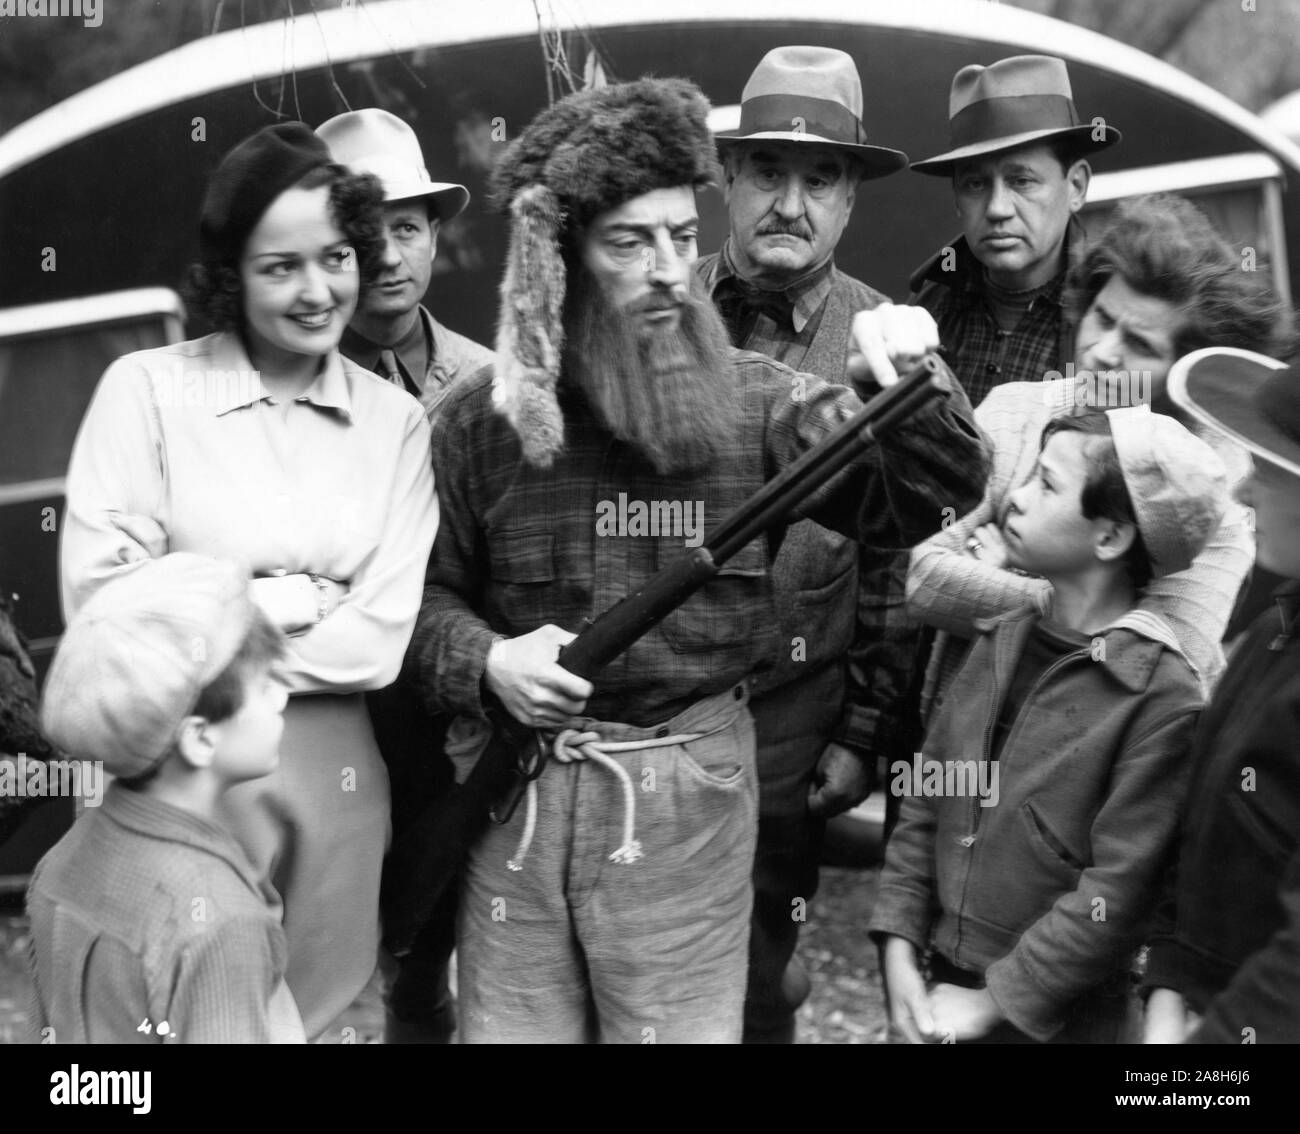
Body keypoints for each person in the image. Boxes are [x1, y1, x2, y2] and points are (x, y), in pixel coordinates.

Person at [404, 76, 988, 1043]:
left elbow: (929, 502)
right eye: (632, 243)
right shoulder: (475, 425)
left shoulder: (768, 404)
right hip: (517, 801)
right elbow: (423, 604)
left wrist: (914, 385)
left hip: (693, 807)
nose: (672, 269)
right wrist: (487, 662)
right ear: (561, 267)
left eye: (682, 235)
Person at [59, 122, 437, 1043]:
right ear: (232, 273)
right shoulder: (143, 391)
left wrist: (182, 605)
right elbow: (100, 610)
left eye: (337, 256)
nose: (318, 292)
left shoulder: (394, 424)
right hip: (170, 774)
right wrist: (277, 599)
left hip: (335, 789)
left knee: (325, 1019)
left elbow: (379, 641)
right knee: (147, 1029)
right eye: (281, 267)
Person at [871, 408, 1229, 1043]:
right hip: (944, 978)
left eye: (1047, 484)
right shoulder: (1001, 640)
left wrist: (992, 1006)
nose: (1015, 496)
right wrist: (899, 941)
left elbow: (1117, 894)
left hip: (1064, 1018)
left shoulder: (1158, 698)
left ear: (1112, 537)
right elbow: (928, 799)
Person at [694, 45, 916, 1042]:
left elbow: (899, 561)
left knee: (757, 991)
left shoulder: (891, 347)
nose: (790, 202)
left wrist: (864, 728)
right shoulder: (652, 310)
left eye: (818, 179)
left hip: (788, 743)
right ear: (728, 180)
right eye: (767, 173)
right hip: (646, 730)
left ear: (849, 200)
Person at [907, 194, 1294, 717]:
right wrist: (1079, 597)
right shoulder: (1018, 409)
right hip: (961, 744)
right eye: (1102, 317)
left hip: (1100, 768)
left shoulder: (1218, 477)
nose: (1104, 351)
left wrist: (1022, 576)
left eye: (1140, 343)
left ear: (1186, 366)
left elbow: (1169, 655)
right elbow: (928, 579)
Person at [318, 107, 490, 1045]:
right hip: (342, 721)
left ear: (435, 236)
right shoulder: (290, 388)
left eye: (409, 227)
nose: (388, 255)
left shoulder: (488, 379)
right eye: (361, 230)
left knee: (438, 947)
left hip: (460, 716)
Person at [28, 554, 303, 1044]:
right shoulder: (219, 919)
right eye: (265, 687)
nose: (282, 698)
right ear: (199, 738)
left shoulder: (59, 864)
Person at [1142, 346, 1300, 1044]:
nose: (1240, 492)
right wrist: (1169, 982)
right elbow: (1202, 816)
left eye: (1266, 471)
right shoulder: (1274, 628)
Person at [909, 54, 1120, 407]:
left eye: (1021, 181)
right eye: (975, 184)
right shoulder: (929, 308)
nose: (997, 209)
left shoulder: (1110, 316)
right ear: (957, 198)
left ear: (1077, 187)